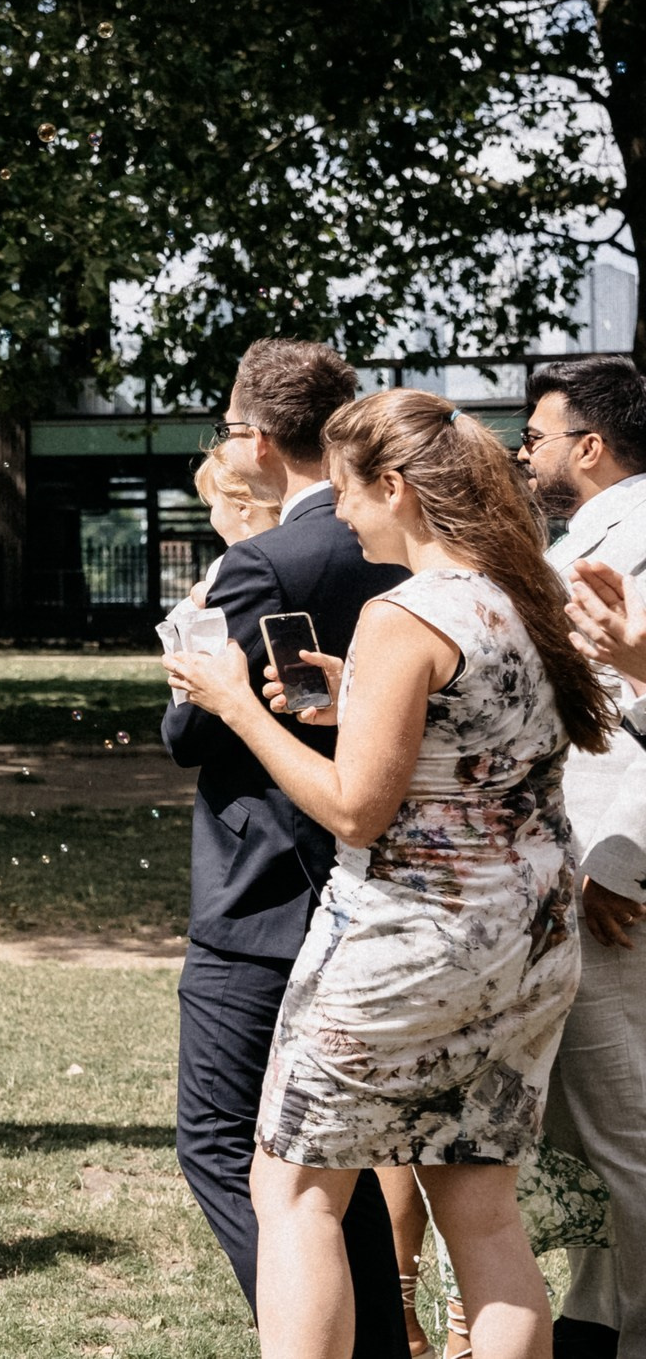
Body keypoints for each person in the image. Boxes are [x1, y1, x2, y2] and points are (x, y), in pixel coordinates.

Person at [168, 388, 608, 1359]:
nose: (338, 509)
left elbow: (353, 810)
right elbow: (479, 742)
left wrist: (237, 705)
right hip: (527, 945)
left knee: (290, 1191)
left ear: (395, 488)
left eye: (346, 489)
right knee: (482, 1212)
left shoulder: (403, 613)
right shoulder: (521, 594)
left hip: (407, 946)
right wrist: (355, 700)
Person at [161, 340, 411, 1357]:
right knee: (328, 1157)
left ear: (257, 440)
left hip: (266, 888)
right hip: (380, 884)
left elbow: (188, 731)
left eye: (228, 428)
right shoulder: (402, 542)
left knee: (222, 1143)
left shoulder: (264, 563)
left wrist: (190, 635)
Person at [507, 355, 646, 1359]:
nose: (524, 454)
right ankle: (599, 1313)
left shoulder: (634, 541)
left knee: (622, 1120)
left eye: (534, 437)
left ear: (588, 446)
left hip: (613, 878)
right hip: (585, 870)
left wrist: (621, 865)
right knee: (592, 1123)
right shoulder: (594, 536)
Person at [184, 451, 283, 610]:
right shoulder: (291, 550)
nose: (211, 514)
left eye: (212, 505)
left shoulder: (231, 564)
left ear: (242, 507)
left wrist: (206, 594)